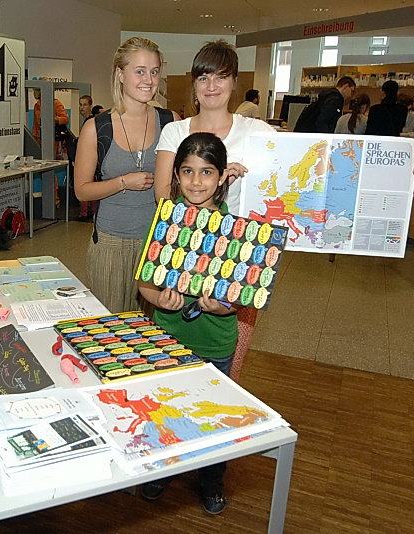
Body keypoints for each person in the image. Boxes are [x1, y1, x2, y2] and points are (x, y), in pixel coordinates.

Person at [153, 39, 273, 390]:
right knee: (169, 359)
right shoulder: (175, 131)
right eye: (204, 77)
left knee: (224, 362)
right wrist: (215, 182)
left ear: (234, 81)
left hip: (236, 257)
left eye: (221, 77)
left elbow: (315, 161)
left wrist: (395, 177)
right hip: (183, 251)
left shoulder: (257, 132)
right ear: (193, 84)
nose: (212, 86)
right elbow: (163, 196)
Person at [139, 132, 238, 513]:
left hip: (214, 341)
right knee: (166, 408)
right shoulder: (165, 222)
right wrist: (158, 299)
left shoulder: (236, 230)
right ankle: (164, 468)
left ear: (222, 176)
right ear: (176, 175)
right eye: (188, 171)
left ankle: (212, 478)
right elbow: (144, 283)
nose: (196, 181)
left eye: (206, 172)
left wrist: (220, 308)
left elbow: (236, 299)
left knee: (213, 414)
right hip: (169, 336)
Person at [74, 36, 178, 313]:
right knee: (111, 325)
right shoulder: (97, 127)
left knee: (154, 327)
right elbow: (81, 190)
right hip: (111, 242)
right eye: (139, 71)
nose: (149, 80)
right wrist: (123, 182)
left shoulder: (170, 122)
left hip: (158, 241)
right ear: (120, 74)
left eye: (154, 72)